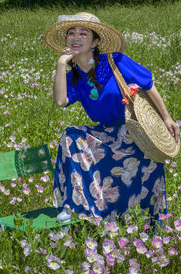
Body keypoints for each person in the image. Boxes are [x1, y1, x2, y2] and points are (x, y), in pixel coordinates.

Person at [43, 12, 179, 223]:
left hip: (136, 131)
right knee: (71, 135)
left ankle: (144, 224)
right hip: (107, 134)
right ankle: (74, 207)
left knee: (145, 180)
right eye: (71, 33)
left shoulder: (114, 60)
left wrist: (167, 118)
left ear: (96, 41)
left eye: (83, 33)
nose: (76, 37)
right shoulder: (73, 77)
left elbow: (148, 84)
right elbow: (60, 101)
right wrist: (61, 64)